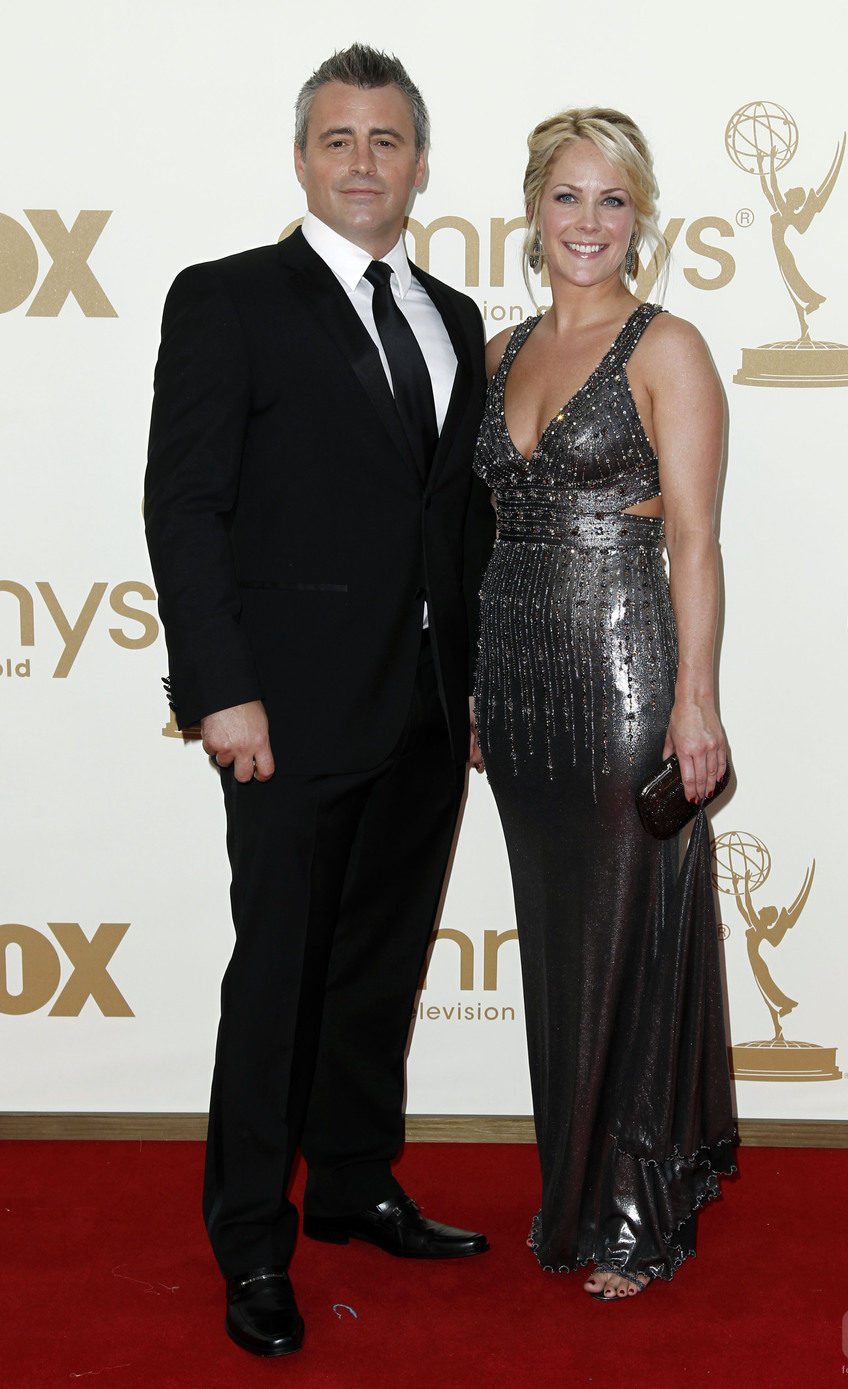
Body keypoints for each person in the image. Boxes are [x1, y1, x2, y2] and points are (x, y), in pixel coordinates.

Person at [144, 43, 495, 1358]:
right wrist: (219, 690)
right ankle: (251, 1242)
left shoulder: (452, 318)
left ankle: (352, 1182)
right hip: (280, 714)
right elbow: (184, 506)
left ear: (416, 162)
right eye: (339, 139)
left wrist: (461, 688)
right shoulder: (228, 299)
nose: (363, 162)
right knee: (279, 980)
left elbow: (451, 523)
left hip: (416, 708)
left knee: (378, 968)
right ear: (303, 158)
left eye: (387, 140)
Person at [472, 108, 735, 1301]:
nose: (589, 222)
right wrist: (476, 685)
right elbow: (477, 533)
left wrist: (694, 702)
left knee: (628, 930)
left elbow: (692, 539)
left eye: (613, 201)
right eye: (569, 197)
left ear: (642, 217)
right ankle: (571, 1187)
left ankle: (633, 1210)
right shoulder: (497, 350)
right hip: (518, 680)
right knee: (561, 945)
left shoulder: (665, 345)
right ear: (534, 208)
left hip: (627, 668)